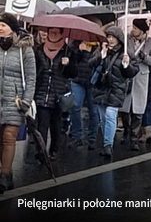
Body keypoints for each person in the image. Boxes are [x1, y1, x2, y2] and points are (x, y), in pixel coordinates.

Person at [0, 13, 36, 193]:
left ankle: (5, 175)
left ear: (12, 28)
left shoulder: (24, 49)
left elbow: (31, 78)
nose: (0, 27)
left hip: (14, 101)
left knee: (8, 138)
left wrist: (26, 101)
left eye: (3, 25)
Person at [90, 27, 138, 158]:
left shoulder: (126, 53)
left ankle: (108, 145)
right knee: (103, 118)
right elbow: (91, 64)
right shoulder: (101, 50)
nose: (110, 40)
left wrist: (126, 65)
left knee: (111, 115)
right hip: (101, 87)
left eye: (113, 37)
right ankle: (107, 141)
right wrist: (101, 56)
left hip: (117, 88)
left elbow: (133, 72)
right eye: (108, 37)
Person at [33, 27, 77, 162]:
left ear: (61, 34)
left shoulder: (68, 51)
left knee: (56, 125)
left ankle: (54, 150)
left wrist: (68, 64)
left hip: (59, 93)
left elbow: (73, 73)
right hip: (42, 91)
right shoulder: (39, 49)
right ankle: (41, 151)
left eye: (56, 32)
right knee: (42, 125)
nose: (52, 34)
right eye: (51, 31)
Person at [121, 18, 151, 151]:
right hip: (128, 74)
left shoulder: (150, 42)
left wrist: (145, 57)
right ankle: (126, 130)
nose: (133, 30)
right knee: (125, 107)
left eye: (136, 28)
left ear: (142, 29)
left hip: (142, 76)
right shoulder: (127, 40)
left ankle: (134, 137)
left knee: (138, 108)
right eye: (132, 27)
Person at [69, 40, 100, 150]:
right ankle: (77, 136)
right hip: (78, 79)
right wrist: (79, 51)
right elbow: (72, 61)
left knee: (93, 111)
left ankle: (92, 138)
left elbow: (96, 63)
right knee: (75, 107)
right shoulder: (76, 44)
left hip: (93, 82)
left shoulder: (99, 47)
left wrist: (87, 53)